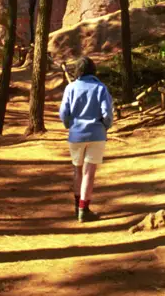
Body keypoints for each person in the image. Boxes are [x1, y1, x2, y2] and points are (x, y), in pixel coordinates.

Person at [59, 56, 113, 223]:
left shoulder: (70, 88)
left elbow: (63, 113)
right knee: (89, 172)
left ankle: (77, 207)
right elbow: (107, 113)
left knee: (77, 170)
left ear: (78, 71)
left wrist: (69, 125)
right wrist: (105, 126)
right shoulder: (101, 88)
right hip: (96, 135)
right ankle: (84, 209)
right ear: (93, 71)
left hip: (76, 135)